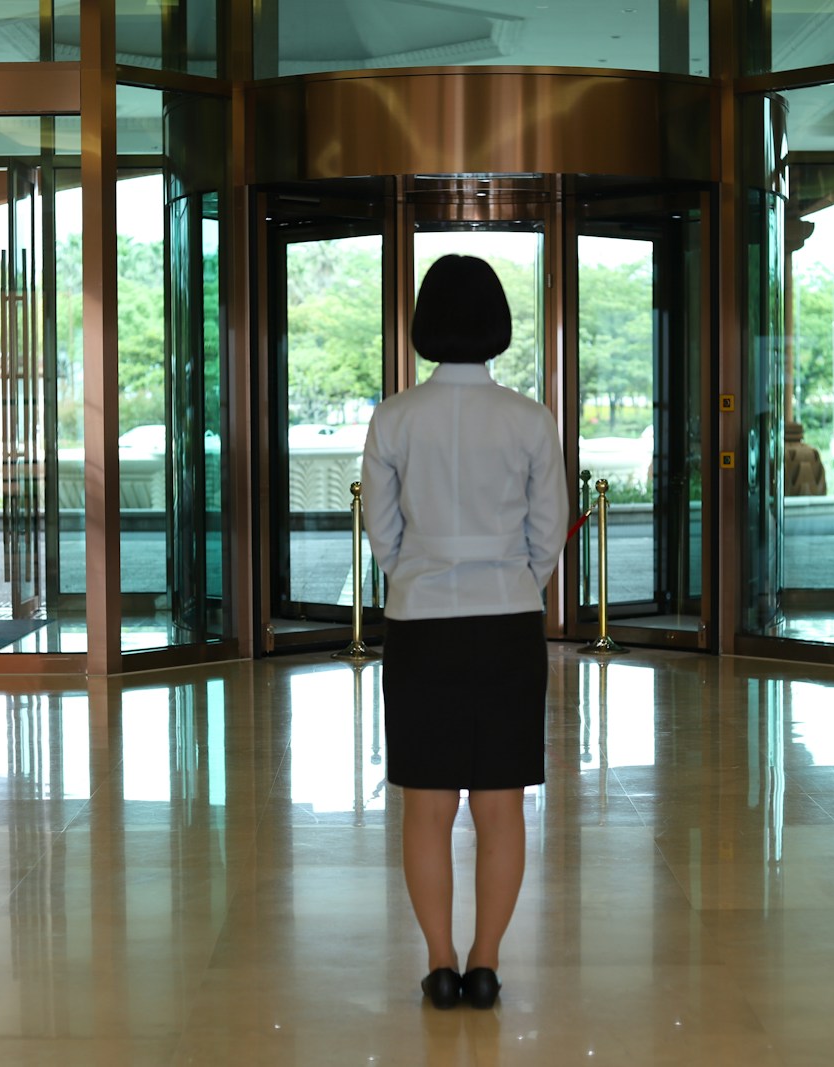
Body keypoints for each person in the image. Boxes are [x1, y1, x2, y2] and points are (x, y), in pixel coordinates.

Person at [361, 255, 568, 1011]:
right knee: (499, 803)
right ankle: (486, 963)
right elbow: (548, 532)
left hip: (421, 625)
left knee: (426, 804)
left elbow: (380, 527)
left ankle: (440, 963)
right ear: (495, 325)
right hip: (507, 622)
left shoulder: (394, 416)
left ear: (424, 324)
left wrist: (413, 573)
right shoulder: (528, 418)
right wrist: (516, 581)